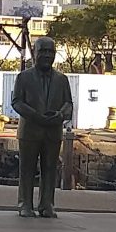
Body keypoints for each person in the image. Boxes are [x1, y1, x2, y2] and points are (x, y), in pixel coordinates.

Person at [11, 36, 73, 218]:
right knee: (27, 170)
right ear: (35, 53)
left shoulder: (62, 79)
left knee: (50, 169)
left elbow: (68, 103)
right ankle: (25, 204)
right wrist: (35, 116)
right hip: (30, 130)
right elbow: (16, 102)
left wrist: (61, 115)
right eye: (43, 51)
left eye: (50, 52)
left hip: (53, 131)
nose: (47, 55)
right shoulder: (23, 77)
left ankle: (47, 204)